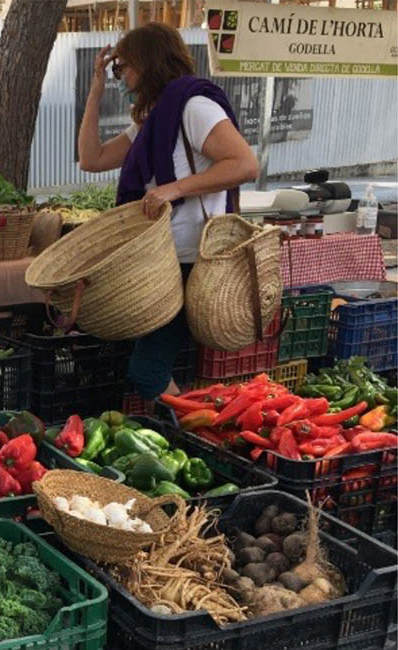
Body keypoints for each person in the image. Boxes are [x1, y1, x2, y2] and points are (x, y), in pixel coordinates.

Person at [77, 22, 259, 401]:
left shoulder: (194, 107)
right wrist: (95, 89)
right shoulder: (154, 120)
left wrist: (173, 189)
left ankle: (199, 435)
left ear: (146, 63)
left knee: (148, 371)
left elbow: (244, 164)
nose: (120, 76)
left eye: (121, 67)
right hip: (163, 262)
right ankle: (196, 429)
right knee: (154, 366)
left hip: (192, 260)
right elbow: (91, 159)